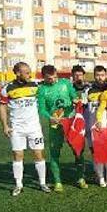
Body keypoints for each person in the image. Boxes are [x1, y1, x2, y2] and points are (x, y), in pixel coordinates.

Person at [0, 62, 50, 196]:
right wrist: (5, 125)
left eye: (29, 71)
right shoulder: (7, 88)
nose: (29, 74)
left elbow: (49, 87)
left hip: (34, 127)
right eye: (26, 72)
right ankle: (18, 185)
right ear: (17, 73)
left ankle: (43, 183)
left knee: (39, 154)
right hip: (17, 128)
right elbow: (2, 107)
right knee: (18, 155)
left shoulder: (36, 85)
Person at [37, 64, 83, 192]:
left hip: (71, 122)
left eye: (55, 77)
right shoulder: (42, 90)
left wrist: (75, 99)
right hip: (56, 124)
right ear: (44, 77)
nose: (53, 80)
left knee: (78, 150)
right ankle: (58, 182)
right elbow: (41, 109)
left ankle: (80, 178)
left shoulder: (65, 83)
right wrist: (49, 117)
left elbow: (73, 95)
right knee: (55, 153)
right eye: (50, 78)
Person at [82, 65, 107, 187]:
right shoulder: (87, 90)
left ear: (106, 75)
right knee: (96, 152)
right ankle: (100, 177)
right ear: (94, 76)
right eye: (97, 75)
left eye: (102, 75)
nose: (100, 77)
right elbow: (83, 107)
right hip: (93, 125)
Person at [70, 65, 90, 186]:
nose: (78, 77)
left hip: (89, 120)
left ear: (83, 75)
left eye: (80, 75)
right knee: (78, 150)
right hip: (76, 123)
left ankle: (100, 172)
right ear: (72, 76)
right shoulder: (68, 88)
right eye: (76, 75)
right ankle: (80, 176)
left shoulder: (89, 88)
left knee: (95, 148)